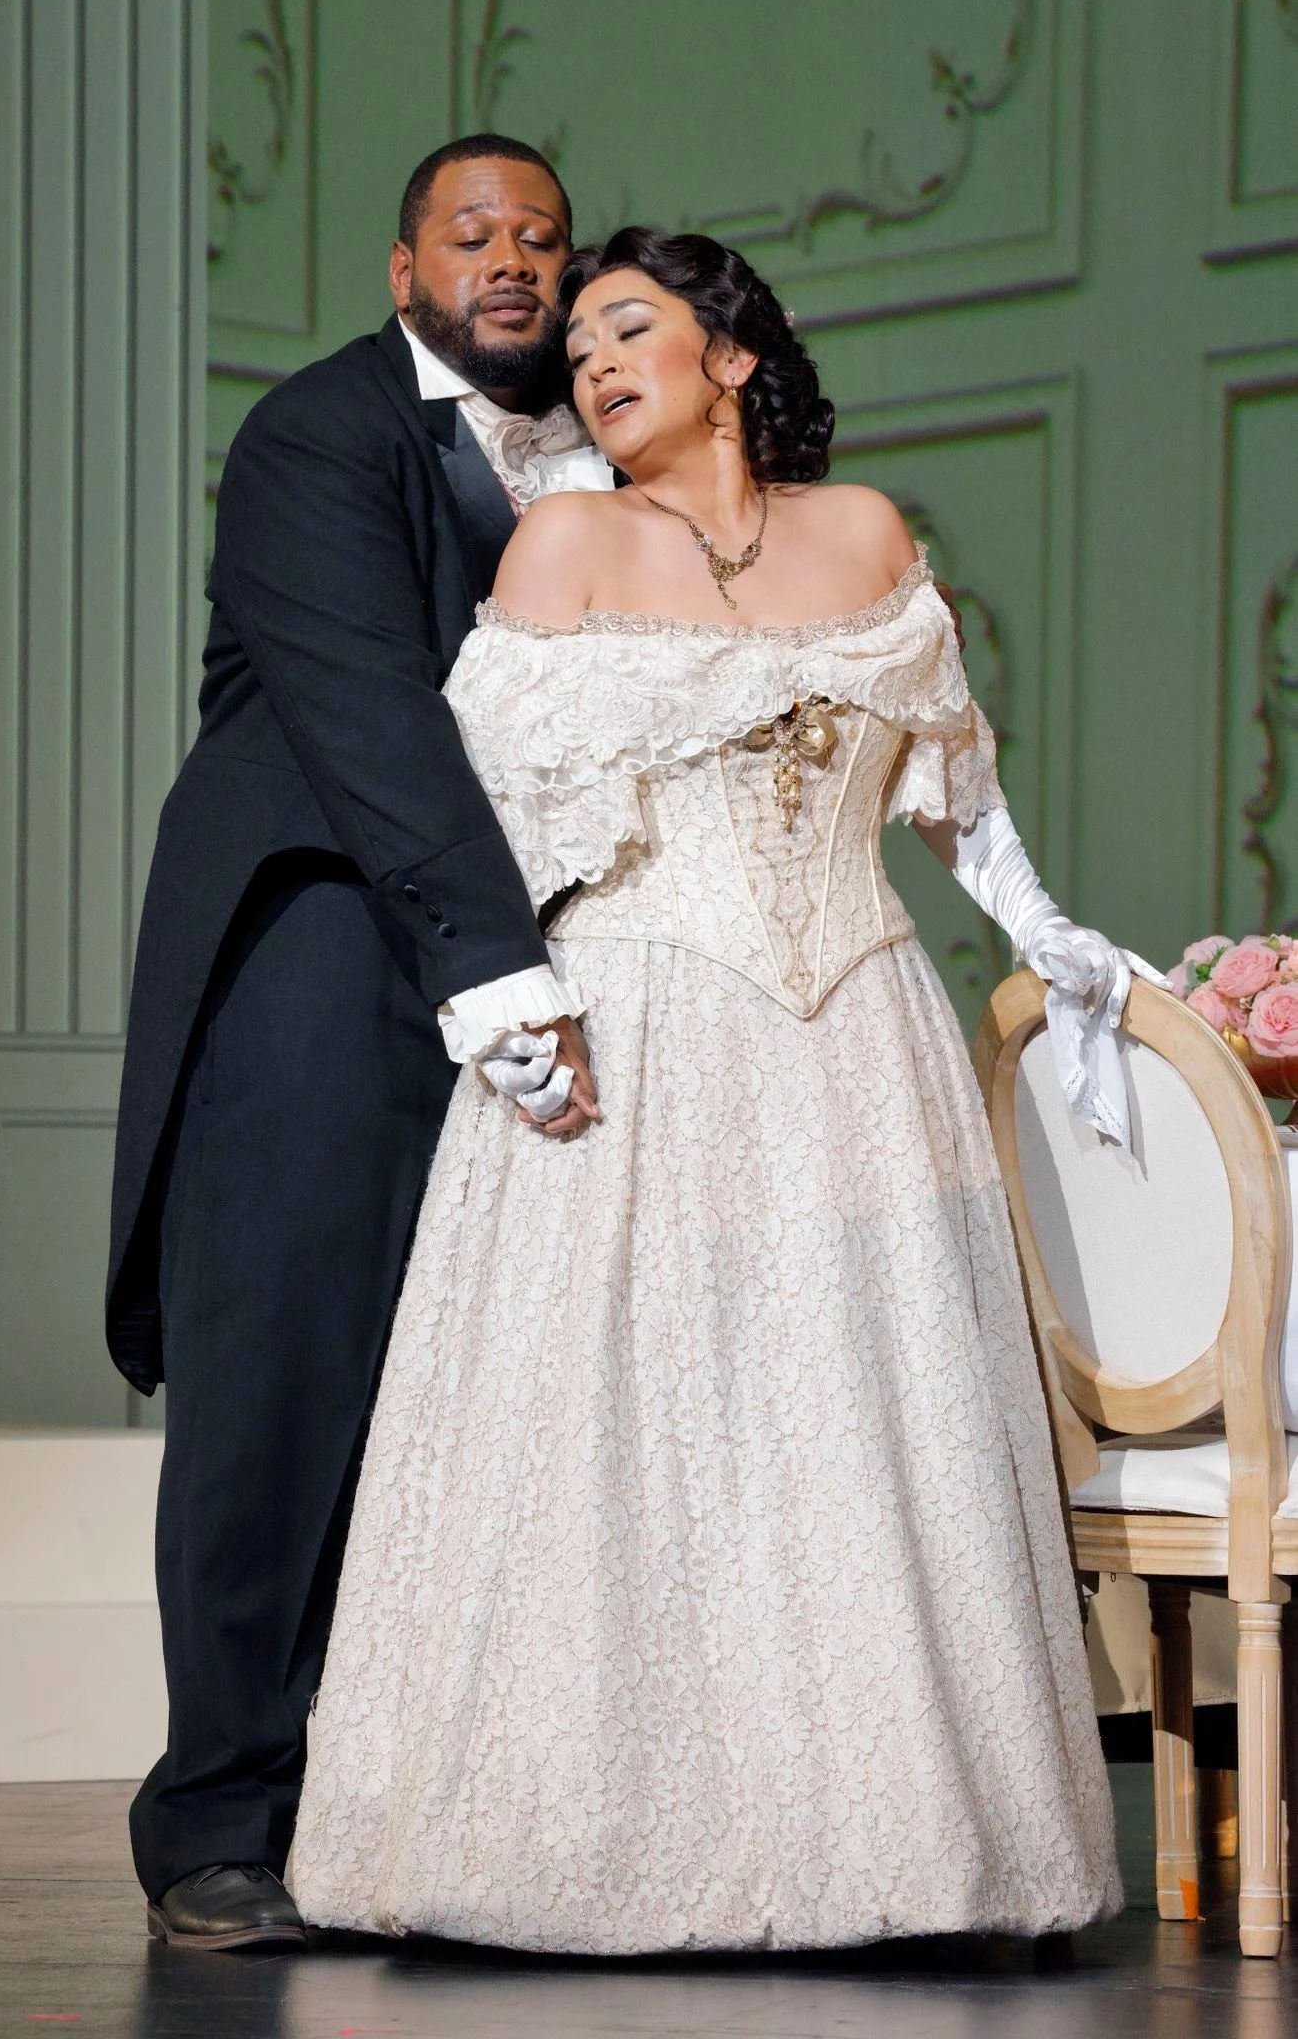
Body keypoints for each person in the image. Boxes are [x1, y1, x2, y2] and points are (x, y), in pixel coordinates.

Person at [288, 227, 1158, 1954]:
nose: (597, 362)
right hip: (637, 1023)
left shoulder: (866, 535)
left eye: (632, 328)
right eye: (580, 350)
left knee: (852, 1417)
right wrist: (495, 1006)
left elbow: (950, 788)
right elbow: (473, 830)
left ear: (735, 355)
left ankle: (903, 1847)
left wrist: (1044, 926)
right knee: (626, 1410)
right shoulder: (566, 544)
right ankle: (560, 1842)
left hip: (858, 1030)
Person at [108, 135, 611, 1951]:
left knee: (488, 1396)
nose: (511, 261)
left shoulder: (608, 444)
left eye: (539, 237)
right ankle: (218, 1820)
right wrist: (503, 978)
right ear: (405, 270)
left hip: (538, 953)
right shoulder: (318, 435)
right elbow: (373, 722)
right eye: (471, 235)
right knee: (283, 1377)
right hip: (323, 946)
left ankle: (419, 1809)